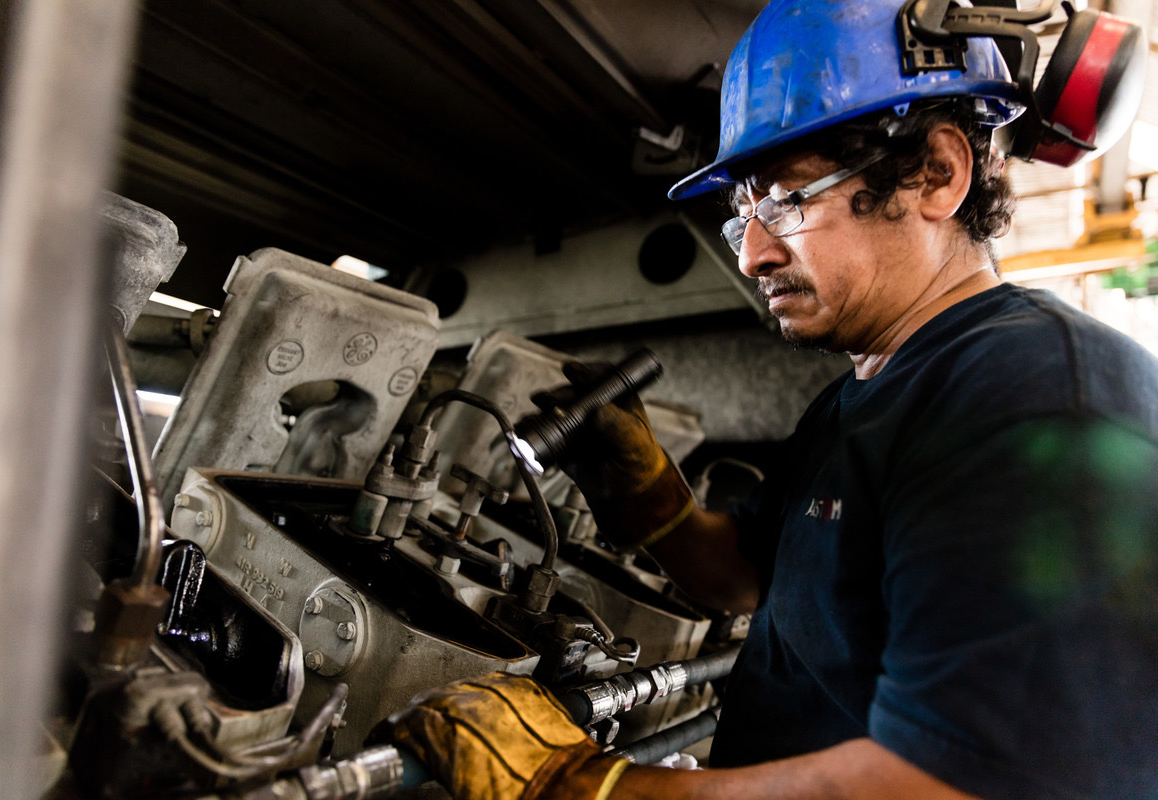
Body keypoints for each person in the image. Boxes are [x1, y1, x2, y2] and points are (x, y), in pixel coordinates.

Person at [381, 1, 1158, 798]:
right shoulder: (853, 400)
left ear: (937, 173)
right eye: (742, 216)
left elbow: (977, 782)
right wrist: (652, 498)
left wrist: (585, 786)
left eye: (787, 200)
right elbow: (747, 581)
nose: (752, 254)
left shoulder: (1042, 400)